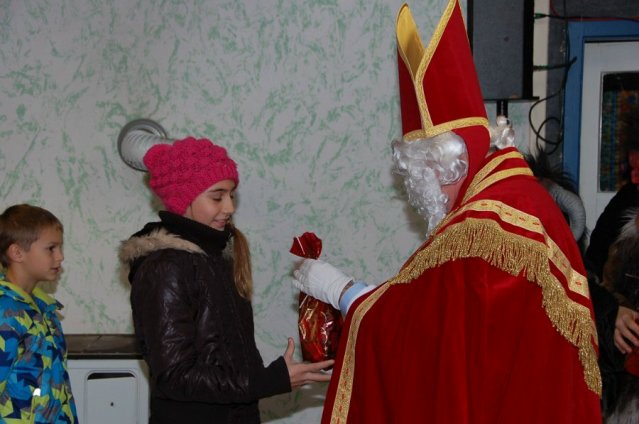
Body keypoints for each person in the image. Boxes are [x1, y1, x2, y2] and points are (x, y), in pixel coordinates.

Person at [292, 1, 602, 422]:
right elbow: (446, 320)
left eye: (420, 177)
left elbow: (423, 344)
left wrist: (345, 292)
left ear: (445, 165)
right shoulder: (517, 198)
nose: (423, 195)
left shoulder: (483, 227)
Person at [118, 136, 333, 424]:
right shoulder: (165, 268)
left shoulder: (217, 257)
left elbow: (229, 358)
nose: (229, 207)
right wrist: (267, 381)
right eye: (217, 197)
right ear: (183, 199)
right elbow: (174, 376)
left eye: (231, 195)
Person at [0, 203, 78, 423]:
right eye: (51, 248)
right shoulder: (5, 313)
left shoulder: (45, 309)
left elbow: (58, 386)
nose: (60, 256)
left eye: (60, 247)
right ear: (17, 253)